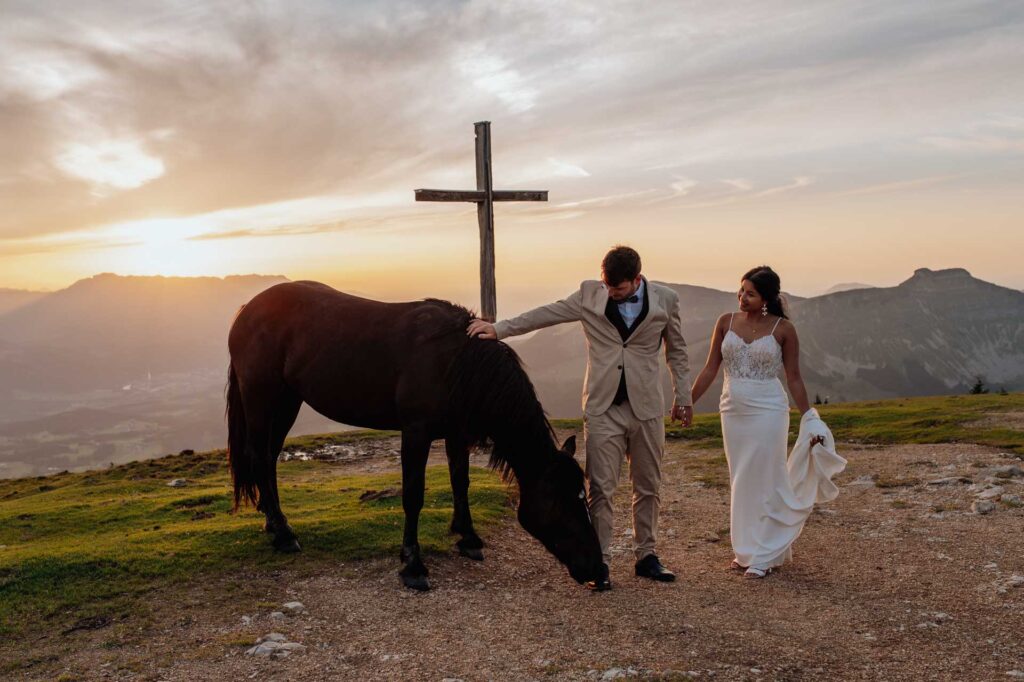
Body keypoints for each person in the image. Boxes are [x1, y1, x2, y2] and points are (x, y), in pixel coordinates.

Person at [467, 246, 692, 590]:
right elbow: (547, 313)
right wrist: (500, 329)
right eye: (607, 285)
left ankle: (647, 556)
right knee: (600, 488)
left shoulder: (667, 299)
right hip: (603, 408)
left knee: (648, 485)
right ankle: (599, 562)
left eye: (617, 289)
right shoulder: (590, 293)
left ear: (636, 280)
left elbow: (676, 349)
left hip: (647, 408)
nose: (610, 293)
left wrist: (684, 396)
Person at [689, 266, 846, 578]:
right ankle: (745, 550)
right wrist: (686, 402)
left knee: (766, 477)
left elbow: (795, 378)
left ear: (766, 298)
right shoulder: (725, 322)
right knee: (740, 478)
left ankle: (764, 554)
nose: (742, 297)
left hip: (769, 411)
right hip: (732, 410)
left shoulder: (783, 329)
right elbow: (710, 369)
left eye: (750, 293)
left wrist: (810, 418)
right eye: (741, 290)